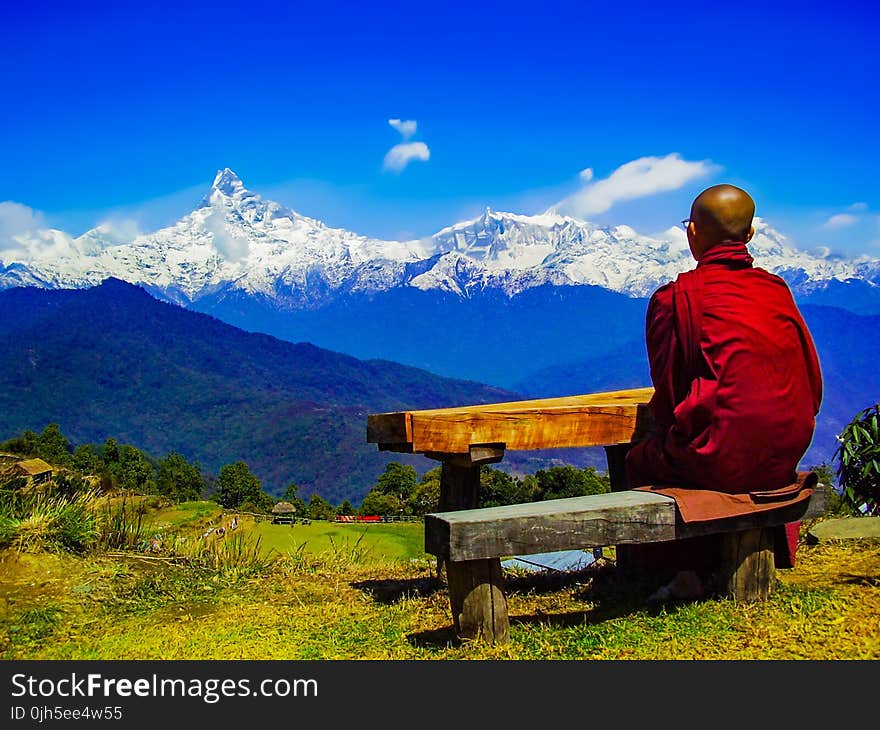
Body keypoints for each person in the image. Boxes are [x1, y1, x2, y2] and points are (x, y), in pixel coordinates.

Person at [624, 184, 823, 598]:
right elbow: (810, 378)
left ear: (691, 233)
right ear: (749, 236)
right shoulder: (777, 292)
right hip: (784, 453)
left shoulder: (674, 299)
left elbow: (673, 391)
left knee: (641, 461)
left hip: (716, 455)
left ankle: (680, 573)